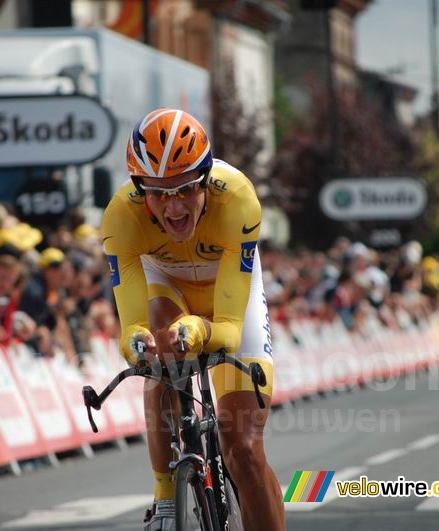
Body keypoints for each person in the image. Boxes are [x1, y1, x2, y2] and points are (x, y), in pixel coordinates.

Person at [101, 108, 284, 530]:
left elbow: (228, 330)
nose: (174, 206)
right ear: (138, 189)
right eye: (158, 193)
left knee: (244, 448)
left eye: (185, 189)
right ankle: (166, 500)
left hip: (228, 286)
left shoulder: (237, 198)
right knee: (157, 355)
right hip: (166, 283)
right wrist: (135, 341)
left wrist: (203, 328)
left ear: (204, 181)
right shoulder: (120, 217)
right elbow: (132, 327)